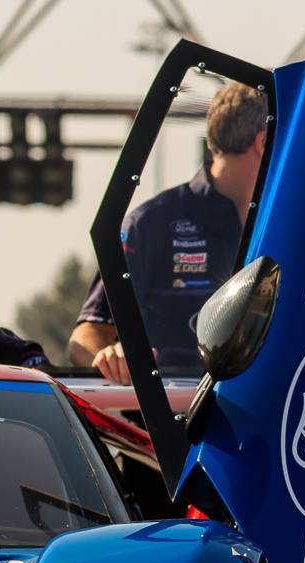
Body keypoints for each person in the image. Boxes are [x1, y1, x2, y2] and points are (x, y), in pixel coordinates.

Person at [66, 81, 269, 381]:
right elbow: (87, 334)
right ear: (263, 142)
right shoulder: (150, 224)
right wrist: (108, 355)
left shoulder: (295, 222)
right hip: (170, 422)